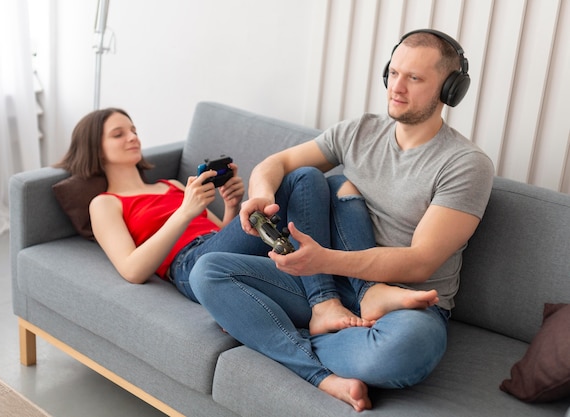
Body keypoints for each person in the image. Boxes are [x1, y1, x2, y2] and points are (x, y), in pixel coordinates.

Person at [189, 29, 495, 412]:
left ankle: (268, 329)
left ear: (450, 90)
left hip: (405, 303)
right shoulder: (359, 131)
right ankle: (318, 361)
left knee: (403, 353)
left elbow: (421, 261)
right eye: (394, 73)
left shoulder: (465, 164)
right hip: (326, 285)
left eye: (414, 78)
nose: (397, 88)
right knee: (208, 272)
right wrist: (264, 194)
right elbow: (277, 164)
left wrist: (322, 261)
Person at [55, 107, 375, 332]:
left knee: (323, 183)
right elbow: (132, 269)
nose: (133, 137)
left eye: (134, 130)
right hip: (188, 266)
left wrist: (232, 207)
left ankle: (360, 293)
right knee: (302, 176)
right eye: (118, 134)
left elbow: (218, 236)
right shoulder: (105, 203)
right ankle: (327, 301)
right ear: (96, 149)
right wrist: (184, 213)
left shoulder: (172, 186)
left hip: (216, 248)